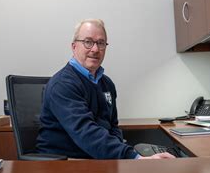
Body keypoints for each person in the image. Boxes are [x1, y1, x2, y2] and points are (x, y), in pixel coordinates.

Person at [36, 19, 175, 159]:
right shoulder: (62, 84)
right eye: (88, 42)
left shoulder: (106, 84)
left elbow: (112, 126)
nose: (95, 49)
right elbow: (86, 133)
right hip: (65, 163)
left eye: (101, 43)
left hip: (95, 157)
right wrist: (134, 158)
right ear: (74, 47)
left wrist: (122, 153)